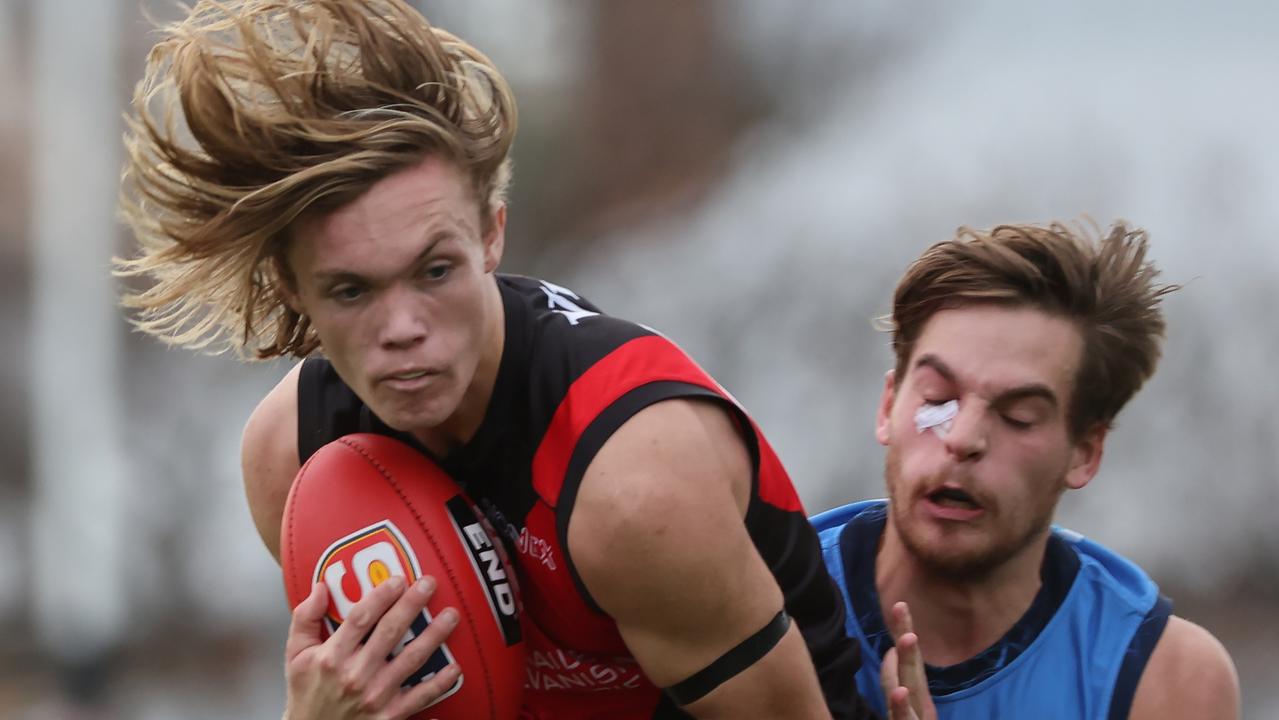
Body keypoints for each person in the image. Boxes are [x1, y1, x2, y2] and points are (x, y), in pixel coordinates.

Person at [116, 2, 930, 718]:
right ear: (293, 290)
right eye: (351, 291)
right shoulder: (292, 456)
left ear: (492, 236)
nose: (403, 328)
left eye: (434, 272)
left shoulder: (629, 483)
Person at [812, 221, 1242, 719]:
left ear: (1084, 451)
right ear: (888, 405)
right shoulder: (765, 599)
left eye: (1018, 416)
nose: (963, 439)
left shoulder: (1161, 676)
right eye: (938, 399)